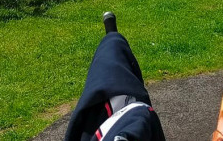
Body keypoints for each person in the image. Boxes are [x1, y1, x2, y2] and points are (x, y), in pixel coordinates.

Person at [65, 13, 166, 141]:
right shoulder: (142, 114)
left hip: (108, 83)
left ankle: (111, 33)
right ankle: (112, 33)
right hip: (117, 84)